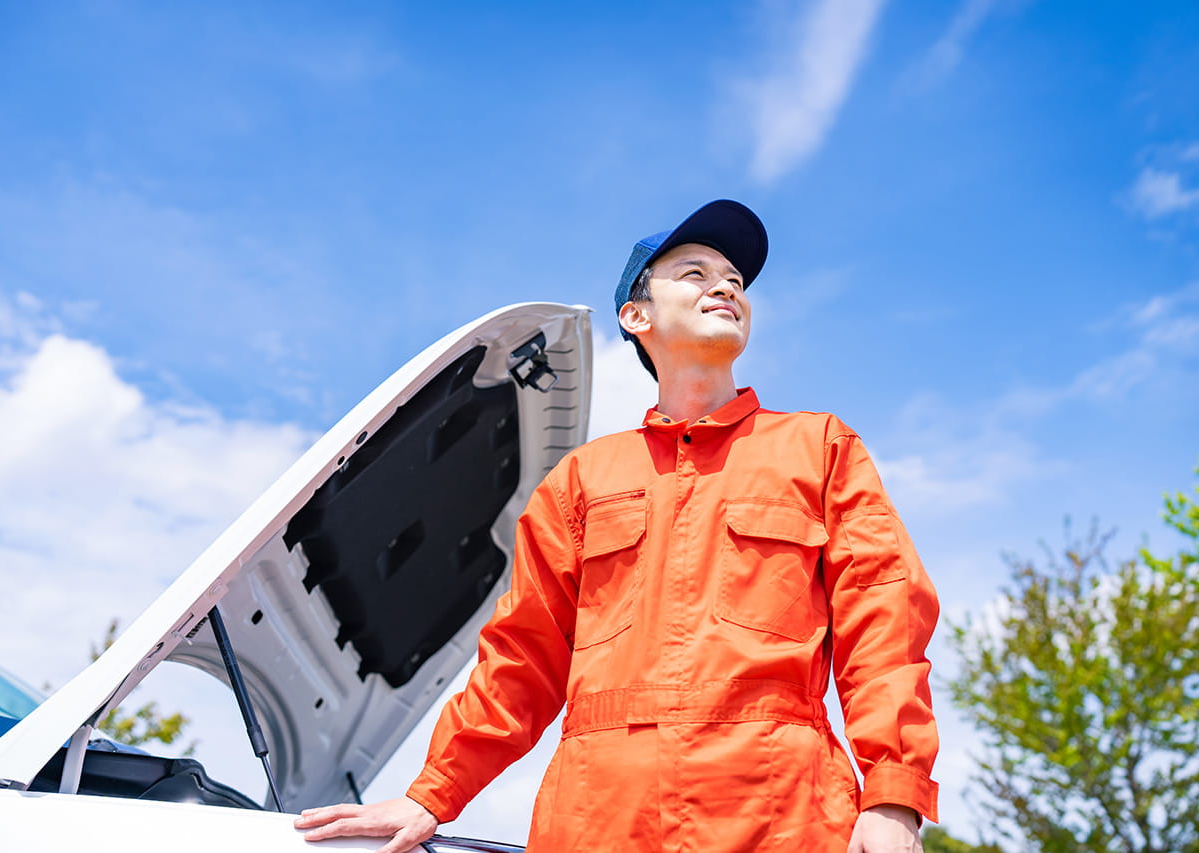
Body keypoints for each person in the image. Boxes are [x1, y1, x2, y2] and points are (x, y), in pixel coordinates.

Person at [294, 200, 939, 852]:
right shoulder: (582, 481)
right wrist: (431, 792)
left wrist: (893, 793)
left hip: (783, 812)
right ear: (637, 316)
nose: (725, 286)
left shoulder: (820, 447)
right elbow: (520, 660)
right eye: (694, 272)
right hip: (600, 815)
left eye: (736, 281)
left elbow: (884, 622)